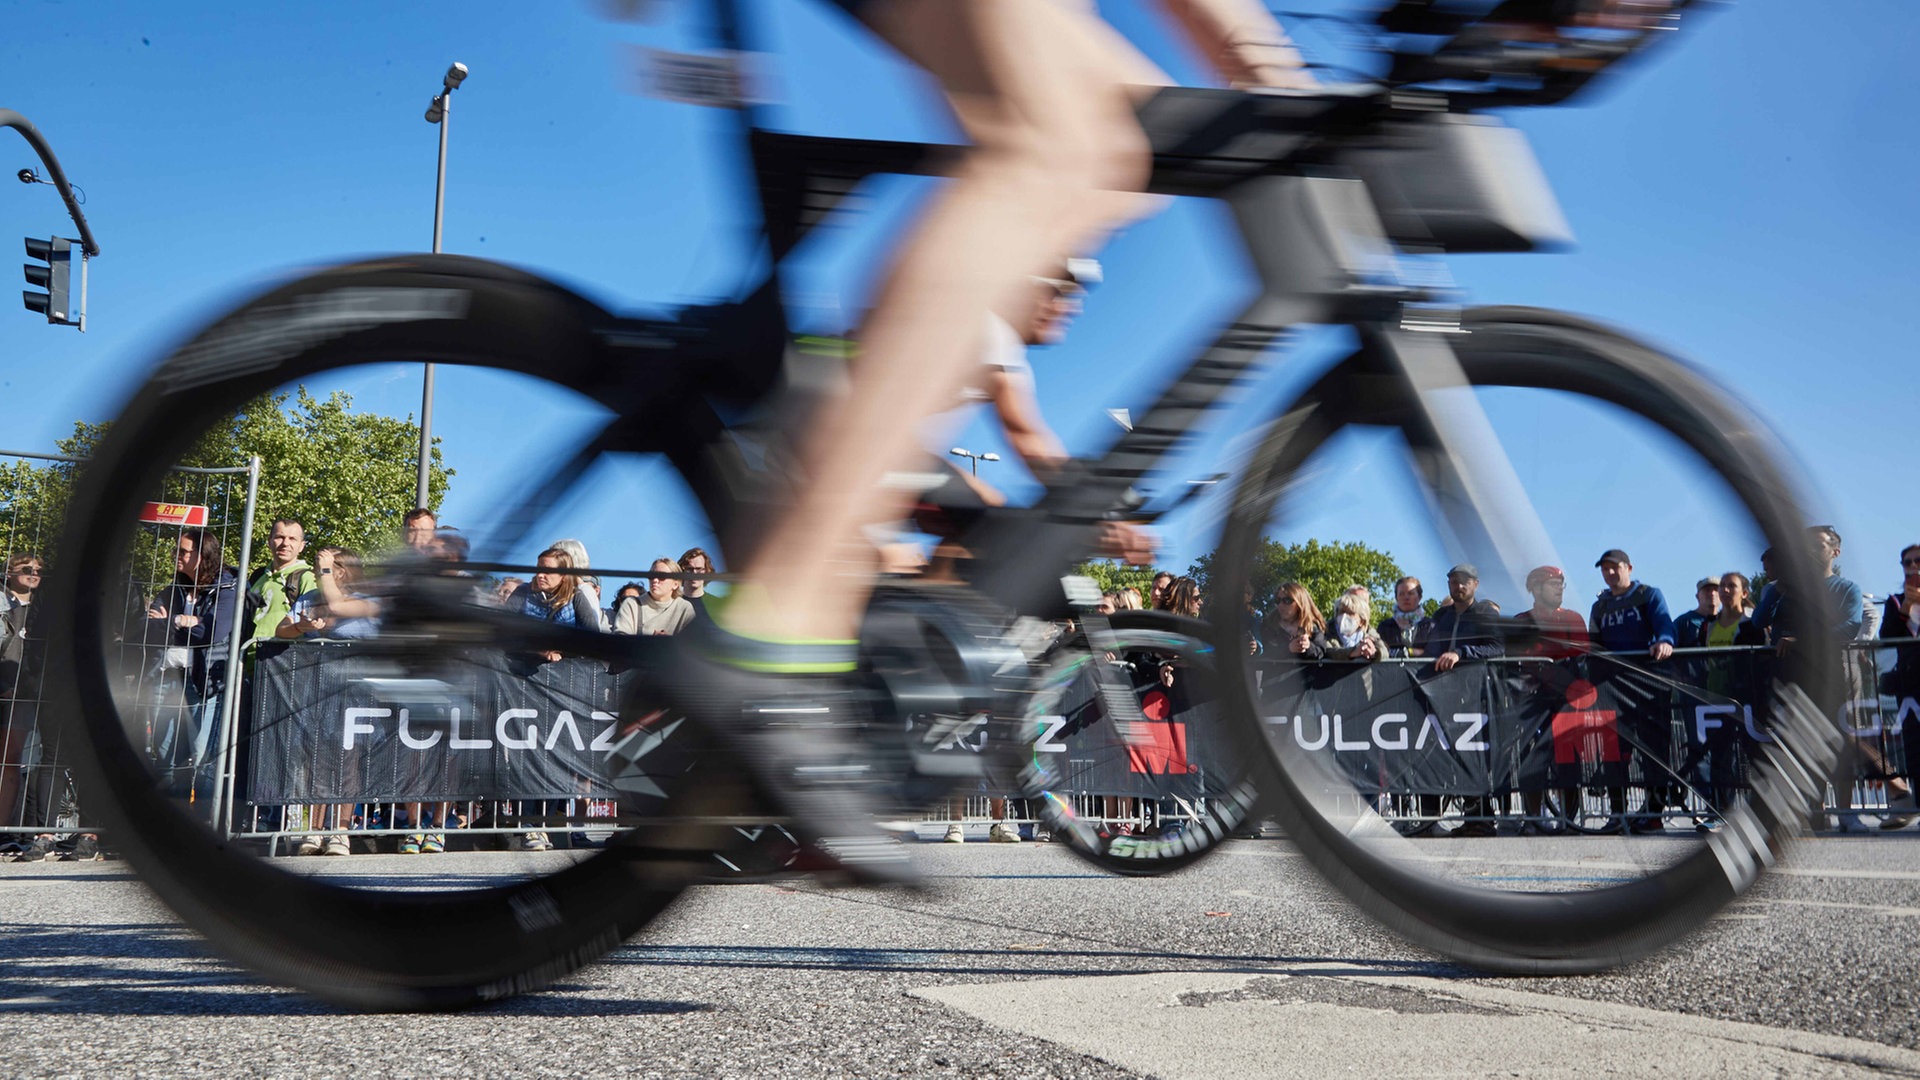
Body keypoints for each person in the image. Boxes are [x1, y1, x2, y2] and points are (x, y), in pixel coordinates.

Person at [276, 547, 379, 856]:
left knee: (348, 762)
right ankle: (315, 830)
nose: (319, 571)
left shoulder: (366, 600)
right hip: (317, 693)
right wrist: (301, 628)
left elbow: (337, 604)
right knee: (317, 762)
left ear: (342, 571)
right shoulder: (310, 599)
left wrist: (322, 570)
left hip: (356, 695)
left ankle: (341, 831)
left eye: (326, 567)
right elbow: (281, 630)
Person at [143, 528, 241, 805]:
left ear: (203, 556)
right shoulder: (173, 588)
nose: (177, 556)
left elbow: (212, 633)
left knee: (201, 754)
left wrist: (169, 622)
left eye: (184, 552)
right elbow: (147, 628)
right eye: (178, 550)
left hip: (203, 680)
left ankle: (201, 823)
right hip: (165, 677)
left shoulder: (227, 588)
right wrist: (181, 622)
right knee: (164, 753)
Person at [1588, 548, 1677, 832]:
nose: (1610, 573)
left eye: (1615, 567)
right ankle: (1617, 813)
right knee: (1614, 753)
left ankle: (1653, 813)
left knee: (1653, 751)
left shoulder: (1648, 595)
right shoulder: (1599, 606)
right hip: (1612, 688)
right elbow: (1593, 643)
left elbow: (1665, 624)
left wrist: (1664, 641)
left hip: (1648, 685)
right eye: (1605, 569)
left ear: (1629, 568)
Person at [1513, 565, 1588, 834]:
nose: (1559, 588)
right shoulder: (1522, 621)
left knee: (1568, 759)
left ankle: (1569, 819)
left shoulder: (1573, 618)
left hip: (1565, 699)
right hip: (1530, 700)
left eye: (1561, 583)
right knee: (1530, 758)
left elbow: (1583, 659)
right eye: (1553, 583)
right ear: (1535, 588)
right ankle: (1533, 818)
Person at [1, 554, 45, 828]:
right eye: (26, 569)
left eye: (39, 570)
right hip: (3, 685)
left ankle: (6, 829)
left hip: (23, 694)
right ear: (8, 573)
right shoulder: (4, 604)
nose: (34, 573)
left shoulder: (44, 609)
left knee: (13, 761)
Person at [245, 519, 319, 644]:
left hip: (281, 659)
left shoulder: (308, 577)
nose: (285, 543)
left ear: (302, 546)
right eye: (279, 537)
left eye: (292, 539)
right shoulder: (258, 575)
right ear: (269, 542)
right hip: (246, 656)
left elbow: (312, 625)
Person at [613, 559, 696, 637]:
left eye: (662, 576)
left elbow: (692, 644)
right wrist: (650, 642)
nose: (655, 580)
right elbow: (621, 641)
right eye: (652, 575)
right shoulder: (631, 604)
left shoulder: (684, 608)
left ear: (675, 584)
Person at [1258, 582, 1329, 661]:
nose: (1281, 605)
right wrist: (1288, 649)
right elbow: (1267, 651)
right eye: (1278, 600)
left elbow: (1320, 651)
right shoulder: (1269, 624)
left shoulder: (1312, 626)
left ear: (1300, 603)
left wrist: (1308, 646)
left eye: (1287, 600)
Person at [1325, 586, 1383, 662]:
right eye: (1342, 611)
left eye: (1350, 613)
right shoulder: (1326, 630)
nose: (1344, 616)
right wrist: (1352, 652)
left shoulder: (1370, 633)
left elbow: (1384, 651)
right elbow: (1326, 651)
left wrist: (1374, 652)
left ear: (1361, 621)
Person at [1378, 576, 1426, 659]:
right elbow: (1380, 652)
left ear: (1420, 597)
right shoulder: (1385, 626)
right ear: (1396, 598)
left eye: (1410, 593)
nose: (1406, 597)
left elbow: (1432, 652)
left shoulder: (1429, 626)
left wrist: (1407, 652)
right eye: (1401, 594)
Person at [1673, 576, 1721, 651]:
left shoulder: (1727, 622)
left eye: (1716, 590)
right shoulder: (1684, 622)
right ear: (1697, 596)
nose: (1712, 593)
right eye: (1707, 590)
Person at [678, 547, 715, 624]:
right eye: (690, 569)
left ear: (706, 571)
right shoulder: (671, 603)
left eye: (699, 569)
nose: (694, 573)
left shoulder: (716, 605)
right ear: (682, 571)